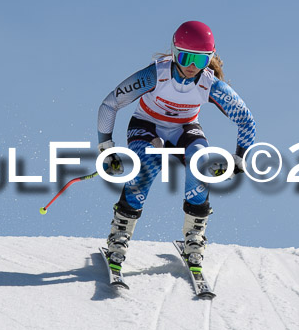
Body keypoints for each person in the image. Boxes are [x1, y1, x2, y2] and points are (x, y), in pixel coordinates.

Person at [96, 21, 256, 270]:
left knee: (201, 162)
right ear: (173, 53)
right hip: (147, 125)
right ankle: (119, 235)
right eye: (185, 57)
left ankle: (194, 236)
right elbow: (110, 104)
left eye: (201, 61)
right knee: (147, 163)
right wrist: (105, 147)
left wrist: (239, 158)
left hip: (185, 129)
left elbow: (246, 119)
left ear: (209, 59)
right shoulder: (155, 75)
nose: (192, 67)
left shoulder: (209, 84)